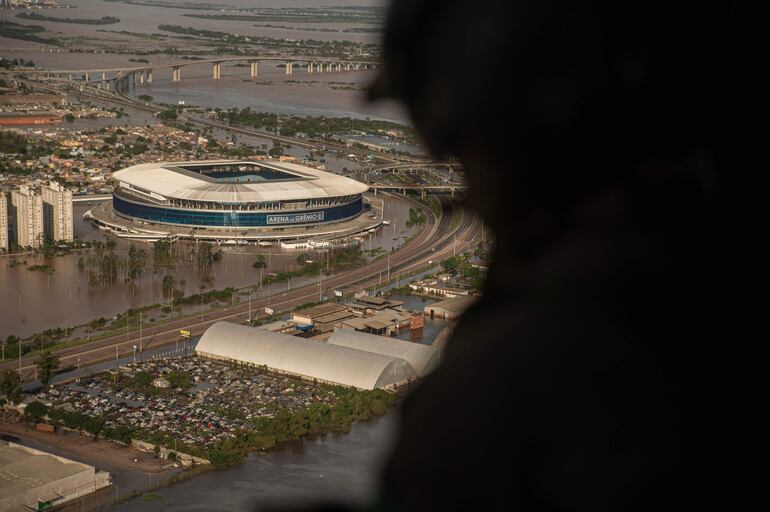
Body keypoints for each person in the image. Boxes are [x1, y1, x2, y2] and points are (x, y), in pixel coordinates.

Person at [363, 0, 747, 510]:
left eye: (462, 151)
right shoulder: (703, 269)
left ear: (516, 139)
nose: (469, 188)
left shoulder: (517, 371)